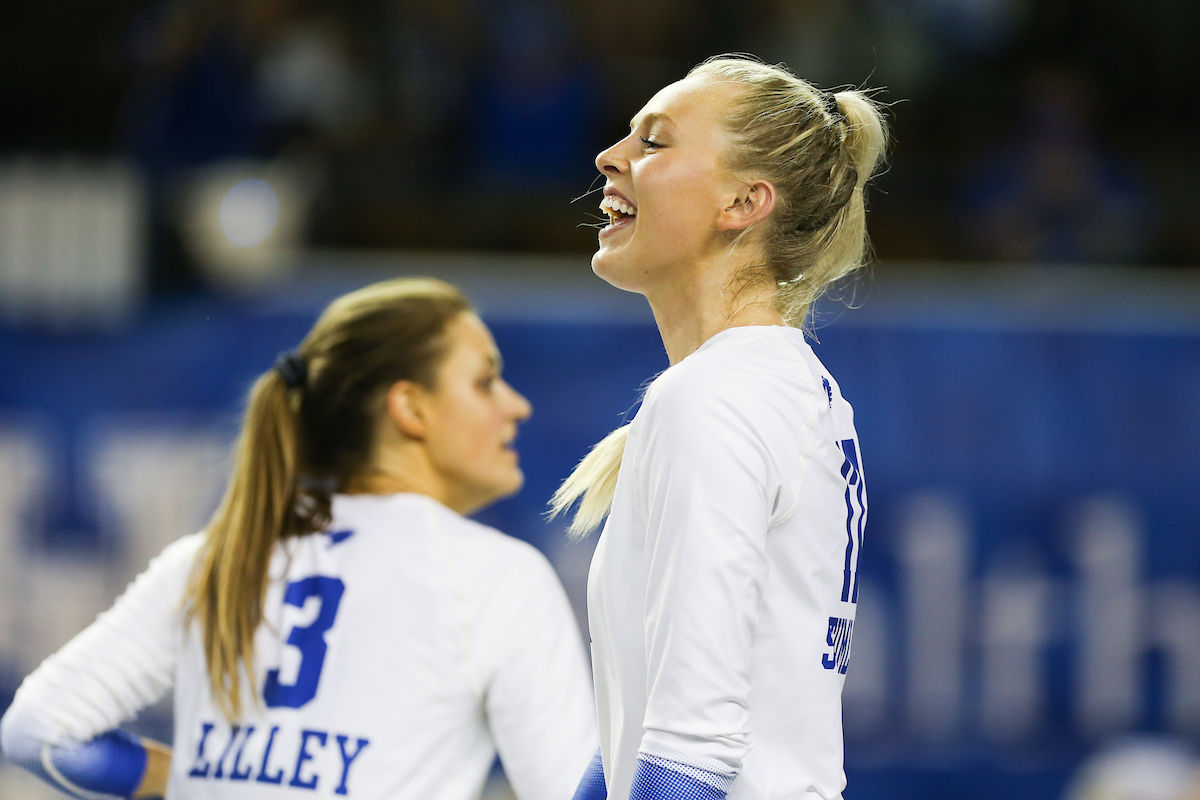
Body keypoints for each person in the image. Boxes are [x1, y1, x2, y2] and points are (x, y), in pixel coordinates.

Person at [1, 278, 598, 800]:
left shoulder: (218, 556)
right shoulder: (494, 576)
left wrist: (183, 780)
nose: (516, 406)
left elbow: (38, 733)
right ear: (410, 408)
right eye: (486, 381)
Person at [551, 56, 887, 800]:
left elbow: (693, 746)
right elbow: (634, 732)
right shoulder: (775, 386)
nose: (610, 157)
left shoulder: (718, 398)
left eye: (655, 142)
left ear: (743, 202)